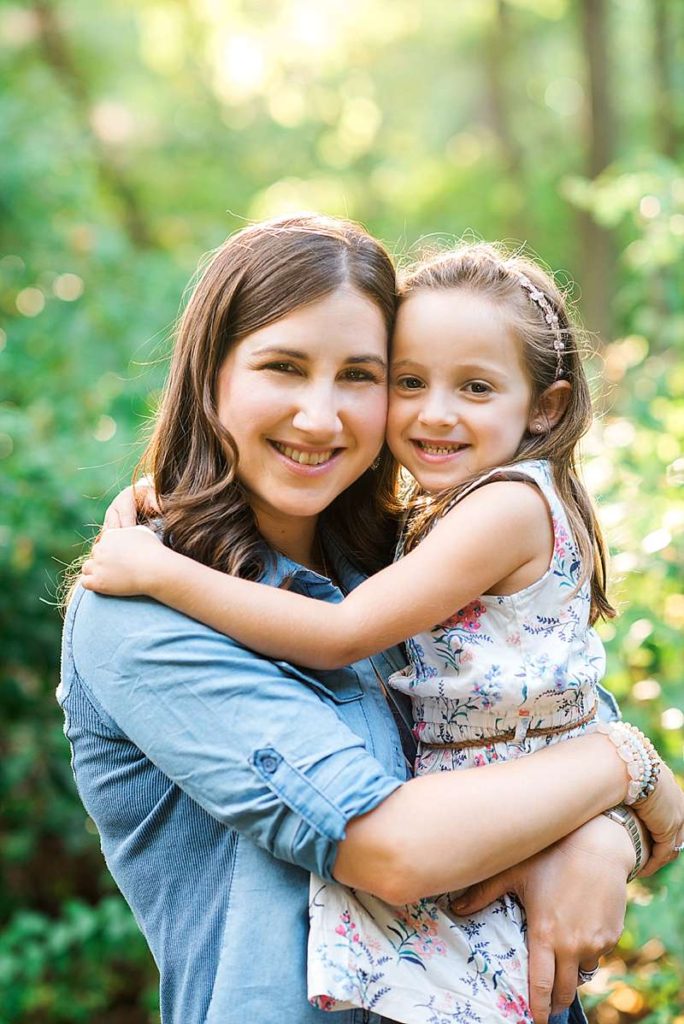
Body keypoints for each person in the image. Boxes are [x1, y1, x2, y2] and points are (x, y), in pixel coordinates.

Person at [62, 216, 684, 1024]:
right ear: (209, 375)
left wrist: (605, 837)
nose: (321, 418)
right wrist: (630, 767)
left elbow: (559, 721)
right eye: (283, 367)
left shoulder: (409, 566)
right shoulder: (144, 615)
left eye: (360, 375)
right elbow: (393, 850)